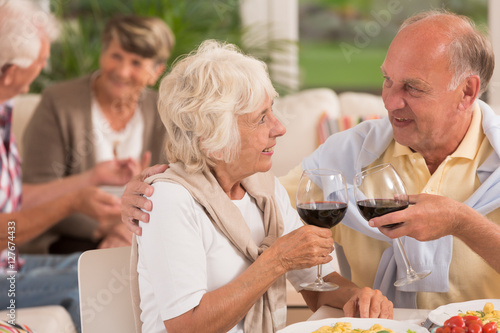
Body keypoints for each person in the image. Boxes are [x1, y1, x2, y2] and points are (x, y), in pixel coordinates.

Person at [122, 9, 500, 313]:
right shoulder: (347, 156)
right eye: (387, 80)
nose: (388, 101)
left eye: (412, 88)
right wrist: (140, 196)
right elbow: (241, 193)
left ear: (466, 92)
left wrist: (461, 222)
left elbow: (303, 266)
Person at [133, 40, 392, 333]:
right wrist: (277, 260)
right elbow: (187, 325)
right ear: (212, 137)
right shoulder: (170, 200)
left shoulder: (263, 190)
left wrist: (356, 296)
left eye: (272, 111)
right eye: (261, 119)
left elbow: (315, 284)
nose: (279, 128)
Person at [0, 1, 127, 331]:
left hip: (12, 265)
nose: (46, 64)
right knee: (85, 290)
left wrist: (91, 179)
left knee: (113, 267)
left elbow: (14, 200)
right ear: (11, 71)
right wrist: (72, 202)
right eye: (42, 58)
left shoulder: (4, 107)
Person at [21, 14, 175, 252]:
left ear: (156, 71)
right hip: (66, 240)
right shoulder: (58, 103)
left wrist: (128, 227)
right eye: (116, 56)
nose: (122, 72)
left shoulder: (165, 112)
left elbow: (176, 191)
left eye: (136, 63)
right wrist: (107, 225)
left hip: (139, 237)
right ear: (102, 53)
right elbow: (32, 197)